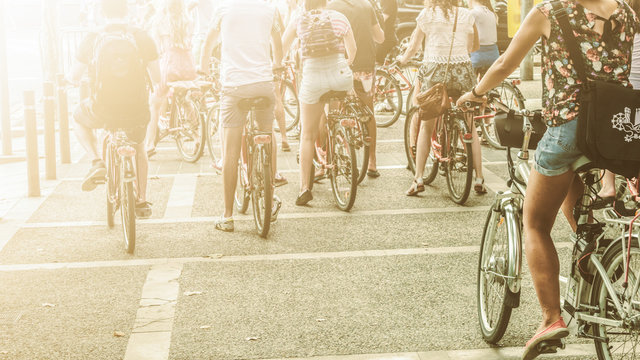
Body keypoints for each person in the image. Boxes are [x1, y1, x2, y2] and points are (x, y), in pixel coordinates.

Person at [456, 0, 639, 358]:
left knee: (536, 222)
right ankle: (594, 255)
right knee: (574, 189)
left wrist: (475, 93)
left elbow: (506, 63)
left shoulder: (548, 13)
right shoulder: (627, 13)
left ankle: (551, 318)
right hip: (614, 130)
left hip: (569, 129)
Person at [68, 0, 160, 218]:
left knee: (77, 118)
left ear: (101, 13)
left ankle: (96, 160)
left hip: (103, 109)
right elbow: (157, 78)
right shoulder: (142, 37)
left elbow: (73, 76)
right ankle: (142, 200)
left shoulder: (93, 38)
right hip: (137, 110)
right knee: (139, 149)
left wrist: (71, 81)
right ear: (127, 11)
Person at [200, 0, 284, 232]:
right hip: (263, 85)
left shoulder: (223, 10)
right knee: (267, 132)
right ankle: (271, 189)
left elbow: (208, 44)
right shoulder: (269, 10)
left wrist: (203, 70)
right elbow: (277, 42)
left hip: (235, 87)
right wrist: (276, 65)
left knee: (230, 153)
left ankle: (227, 216)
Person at [398, 0, 480, 196]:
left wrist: (402, 60)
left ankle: (418, 178)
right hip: (462, 72)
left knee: (426, 126)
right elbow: (473, 46)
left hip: (434, 72)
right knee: (470, 126)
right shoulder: (466, 14)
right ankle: (479, 178)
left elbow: (414, 46)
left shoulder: (427, 14)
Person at [281, 0, 357, 205]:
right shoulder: (340, 17)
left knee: (307, 134)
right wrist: (344, 64)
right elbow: (353, 51)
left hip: (313, 79)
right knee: (334, 114)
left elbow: (281, 47)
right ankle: (340, 137)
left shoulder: (299, 19)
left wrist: (278, 65)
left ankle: (304, 188)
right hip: (340, 76)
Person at [328, 0, 385, 178]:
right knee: (368, 111)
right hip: (365, 66)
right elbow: (380, 37)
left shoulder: (330, 7)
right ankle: (372, 162)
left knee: (333, 112)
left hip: (340, 64)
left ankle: (331, 159)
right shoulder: (366, 5)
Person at [145, 0, 197, 156]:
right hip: (188, 65)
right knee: (184, 98)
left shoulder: (160, 21)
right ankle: (197, 135)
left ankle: (149, 144)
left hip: (169, 66)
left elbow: (154, 48)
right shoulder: (187, 19)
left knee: (154, 103)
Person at [468, 0, 499, 80]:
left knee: (469, 83)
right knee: (486, 84)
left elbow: (466, 31)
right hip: (494, 55)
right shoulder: (492, 13)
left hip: (478, 55)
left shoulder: (472, 13)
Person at [375, 0, 398, 64]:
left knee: (376, 62)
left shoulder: (388, 1)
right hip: (384, 37)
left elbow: (383, 19)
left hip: (386, 39)